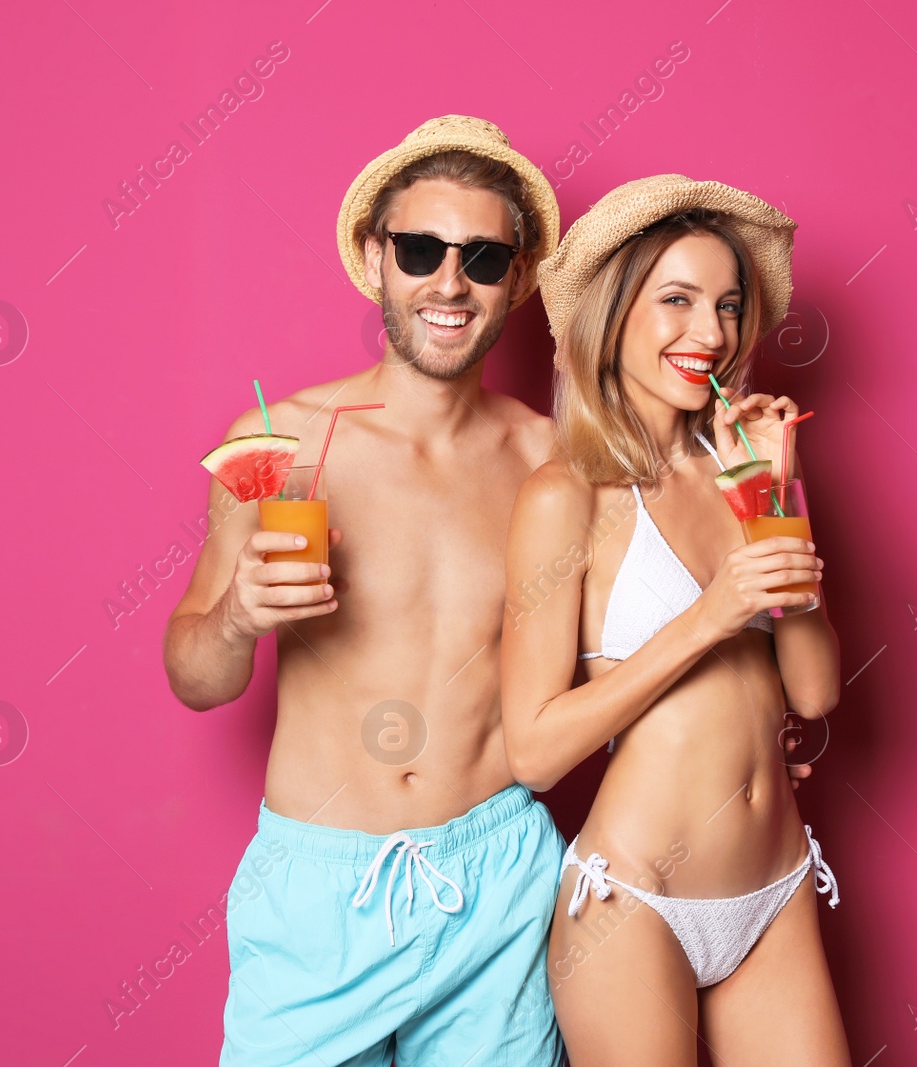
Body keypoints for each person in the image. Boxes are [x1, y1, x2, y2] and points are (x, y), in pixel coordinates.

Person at [163, 115, 569, 1067]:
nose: (448, 282)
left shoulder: (549, 462)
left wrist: (737, 730)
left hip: (499, 879)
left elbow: (592, 665)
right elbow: (196, 675)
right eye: (421, 248)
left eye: (481, 257)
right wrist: (237, 617)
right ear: (376, 257)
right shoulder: (283, 442)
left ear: (517, 276)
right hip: (319, 890)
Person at [501, 175, 850, 1065]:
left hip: (773, 889)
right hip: (633, 902)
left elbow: (812, 691)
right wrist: (711, 616)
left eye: (728, 306)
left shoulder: (747, 473)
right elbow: (535, 751)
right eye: (679, 301)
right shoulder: (565, 496)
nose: (711, 334)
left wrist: (774, 500)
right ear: (614, 315)